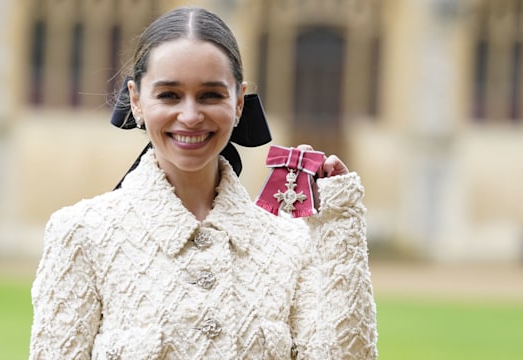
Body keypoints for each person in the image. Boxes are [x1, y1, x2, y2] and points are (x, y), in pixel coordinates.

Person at [29, 6, 377, 360]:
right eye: (169, 95)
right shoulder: (80, 234)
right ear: (136, 100)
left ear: (239, 102)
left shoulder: (291, 243)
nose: (191, 116)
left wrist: (337, 222)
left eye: (211, 95)